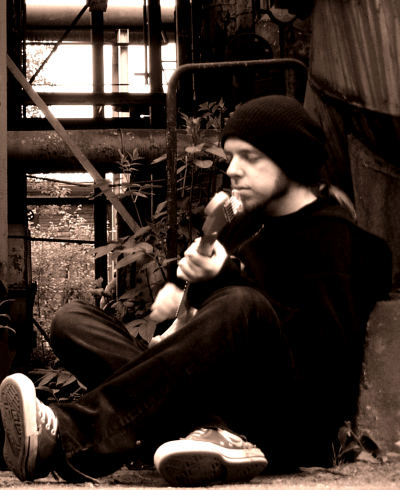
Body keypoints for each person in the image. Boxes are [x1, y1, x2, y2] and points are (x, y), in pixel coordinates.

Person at [0, 95, 392, 486]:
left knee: (242, 303)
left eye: (250, 157)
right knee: (72, 320)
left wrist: (224, 277)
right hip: (214, 399)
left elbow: (321, 363)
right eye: (231, 157)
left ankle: (69, 437)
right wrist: (182, 293)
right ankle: (199, 434)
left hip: (286, 422)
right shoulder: (245, 223)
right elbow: (205, 300)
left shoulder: (333, 237)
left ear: (290, 159)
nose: (233, 170)